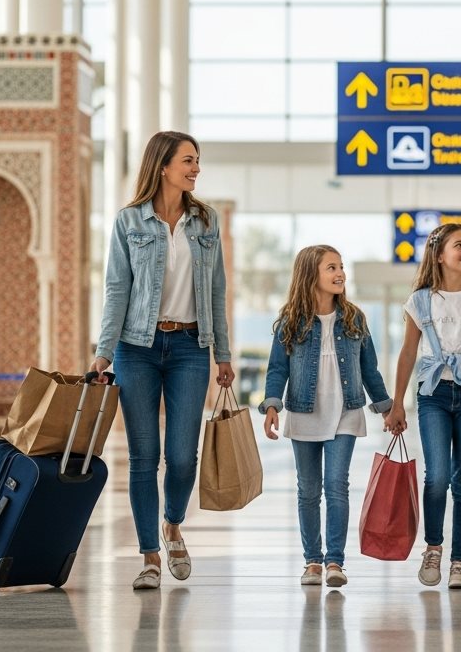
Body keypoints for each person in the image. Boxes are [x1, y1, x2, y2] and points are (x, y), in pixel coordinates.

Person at [91, 130, 234, 591]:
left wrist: (224, 354)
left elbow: (215, 292)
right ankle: (150, 556)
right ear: (163, 166)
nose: (196, 168)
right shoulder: (129, 221)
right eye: (188, 160)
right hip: (137, 348)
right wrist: (103, 351)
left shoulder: (205, 221)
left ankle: (172, 525)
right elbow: (117, 289)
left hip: (191, 348)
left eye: (197, 161)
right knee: (143, 457)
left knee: (182, 458)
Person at [259, 245, 404, 589]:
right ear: (311, 274)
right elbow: (277, 369)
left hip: (346, 412)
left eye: (341, 267)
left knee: (336, 485)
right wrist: (271, 407)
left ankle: (335, 560)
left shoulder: (354, 319)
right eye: (331, 268)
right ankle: (312, 561)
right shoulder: (290, 322)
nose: (340, 273)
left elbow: (370, 370)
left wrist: (387, 407)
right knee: (308, 490)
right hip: (303, 412)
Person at [386, 223, 461, 590]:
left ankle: (460, 562)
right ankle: (434, 547)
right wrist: (398, 404)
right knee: (437, 477)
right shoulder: (420, 300)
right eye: (460, 245)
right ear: (440, 255)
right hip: (432, 394)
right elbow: (408, 353)